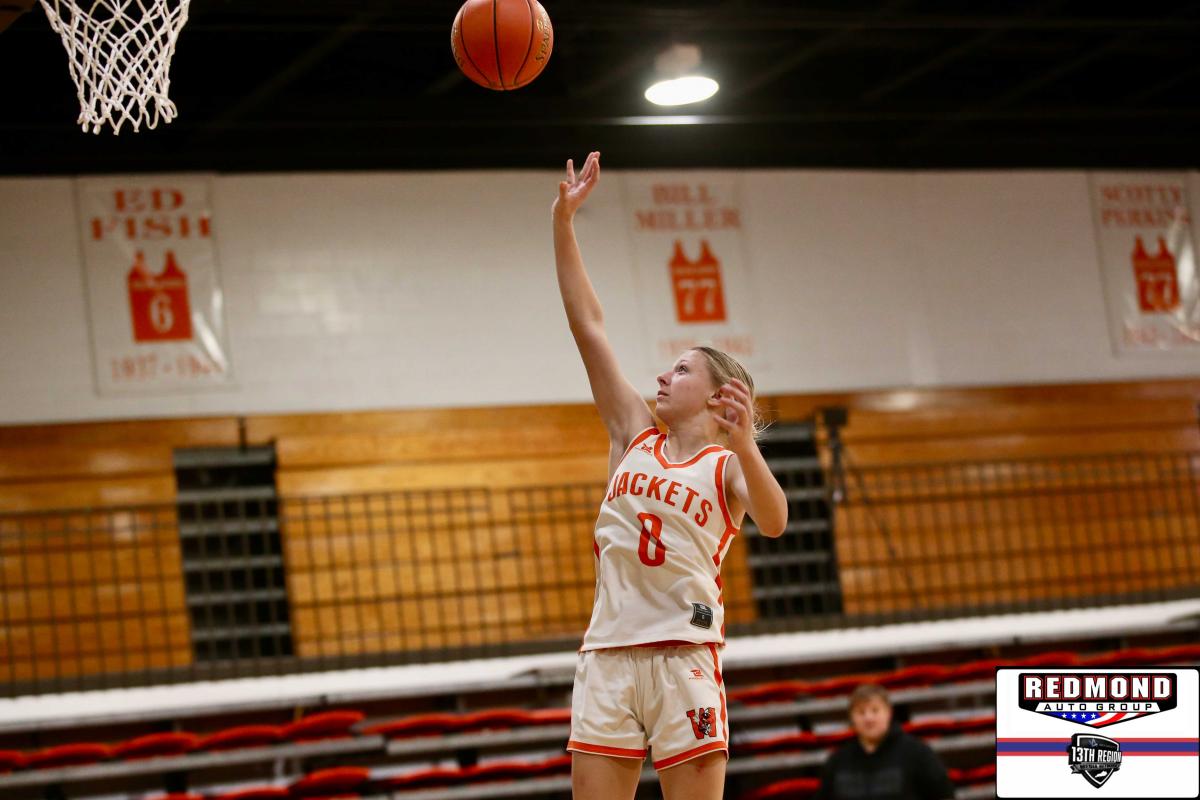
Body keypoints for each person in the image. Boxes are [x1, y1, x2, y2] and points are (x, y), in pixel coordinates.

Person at [552, 150, 789, 800]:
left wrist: (746, 444)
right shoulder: (633, 432)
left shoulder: (726, 466)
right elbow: (587, 325)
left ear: (717, 395)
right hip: (607, 653)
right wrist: (563, 222)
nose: (662, 376)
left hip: (684, 655)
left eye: (681, 370)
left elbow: (774, 522)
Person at [816, 684, 956, 800]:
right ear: (852, 718)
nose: (868, 718)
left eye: (875, 710)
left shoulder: (917, 753)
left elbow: (944, 795)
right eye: (861, 712)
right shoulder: (838, 761)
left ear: (889, 712)